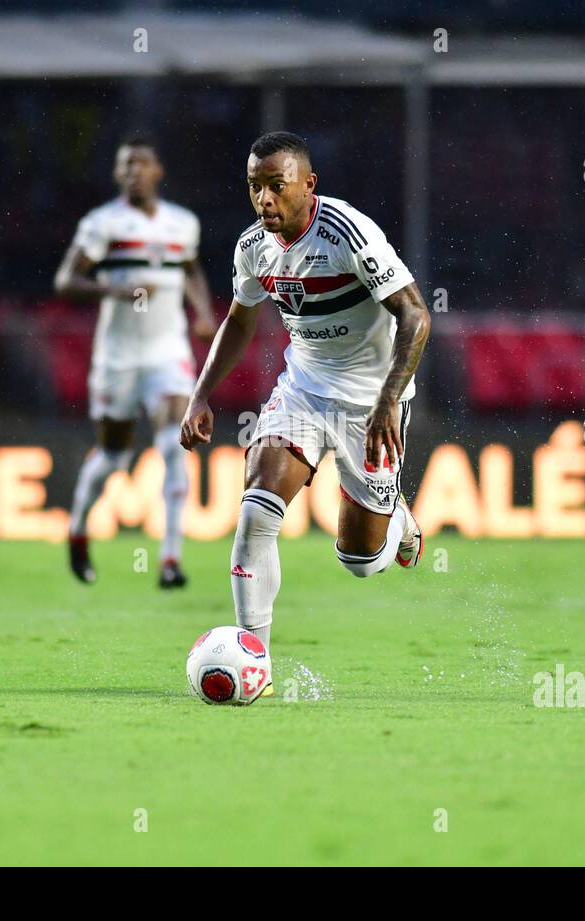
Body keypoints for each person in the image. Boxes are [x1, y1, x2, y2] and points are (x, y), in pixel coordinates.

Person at [180, 131, 432, 655]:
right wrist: (200, 395)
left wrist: (389, 399)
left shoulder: (348, 233)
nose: (264, 199)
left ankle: (400, 523)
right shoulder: (253, 248)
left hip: (372, 403)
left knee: (360, 562)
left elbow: (415, 314)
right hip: (304, 392)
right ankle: (254, 659)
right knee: (255, 513)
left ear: (308, 184)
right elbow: (237, 321)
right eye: (255, 187)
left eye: (277, 185)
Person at [54, 136, 217, 588]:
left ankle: (170, 559)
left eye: (141, 164)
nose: (133, 172)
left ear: (158, 171)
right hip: (118, 358)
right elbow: (66, 280)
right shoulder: (103, 224)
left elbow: (190, 269)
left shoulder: (182, 224)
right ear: (116, 174)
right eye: (126, 165)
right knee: (113, 456)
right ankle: (78, 528)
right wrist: (112, 289)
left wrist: (203, 312)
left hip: (168, 352)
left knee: (173, 445)